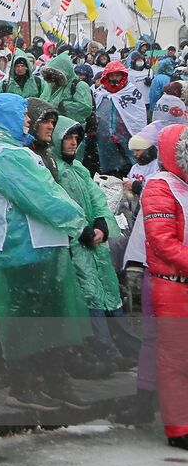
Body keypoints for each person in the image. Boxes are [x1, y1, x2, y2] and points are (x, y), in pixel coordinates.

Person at [0, 93, 92, 411]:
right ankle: (23, 386)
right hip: (17, 250)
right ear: (5, 116)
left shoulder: (14, 151)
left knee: (49, 321)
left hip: (40, 247)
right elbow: (40, 196)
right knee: (23, 323)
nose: (28, 119)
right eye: (22, 113)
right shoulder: (2, 155)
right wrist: (79, 224)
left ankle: (52, 381)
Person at [51, 117, 134, 377]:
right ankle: (104, 349)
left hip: (93, 241)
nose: (74, 143)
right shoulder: (54, 171)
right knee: (91, 293)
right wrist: (83, 231)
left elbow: (97, 198)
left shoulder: (78, 169)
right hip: (78, 243)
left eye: (76, 138)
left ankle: (118, 347)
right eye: (68, 138)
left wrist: (101, 224)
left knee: (107, 289)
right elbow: (59, 206)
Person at [140, 123, 188, 450]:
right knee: (175, 360)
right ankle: (179, 429)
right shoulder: (159, 187)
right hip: (171, 286)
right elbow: (163, 243)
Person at [95, 62, 141, 177]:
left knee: (129, 164)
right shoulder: (101, 92)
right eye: (112, 75)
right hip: (105, 137)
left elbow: (137, 115)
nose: (115, 78)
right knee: (109, 167)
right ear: (107, 76)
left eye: (117, 75)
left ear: (123, 76)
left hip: (126, 135)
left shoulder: (131, 91)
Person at [41, 52, 93, 124]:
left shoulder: (79, 85)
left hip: (71, 129)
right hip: (51, 125)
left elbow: (85, 108)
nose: (53, 77)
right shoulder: (50, 85)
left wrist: (63, 105)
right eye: (51, 74)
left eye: (55, 74)